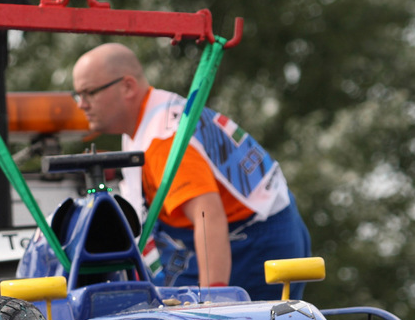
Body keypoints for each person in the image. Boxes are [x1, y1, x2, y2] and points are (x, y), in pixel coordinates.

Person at [71, 43, 312, 300]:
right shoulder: (150, 119)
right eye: (78, 95)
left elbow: (209, 216)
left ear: (127, 86)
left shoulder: (162, 139)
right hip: (251, 232)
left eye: (89, 93)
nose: (82, 104)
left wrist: (212, 300)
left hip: (253, 243)